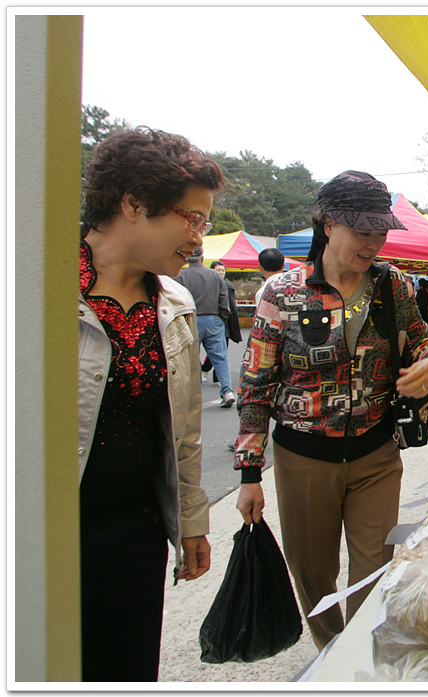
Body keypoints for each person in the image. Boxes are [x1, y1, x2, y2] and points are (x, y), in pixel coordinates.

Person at [233, 170, 428, 651]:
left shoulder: (393, 287)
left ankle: (363, 657)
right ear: (328, 224)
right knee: (314, 575)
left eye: (381, 232)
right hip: (304, 459)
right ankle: (334, 656)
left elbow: (424, 342)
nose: (374, 244)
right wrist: (249, 472)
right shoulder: (282, 294)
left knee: (375, 570)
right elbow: (255, 387)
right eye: (363, 232)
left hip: (376, 454)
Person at [78, 126, 216, 680]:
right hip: (50, 531)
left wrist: (191, 521)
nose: (199, 237)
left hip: (134, 534)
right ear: (134, 203)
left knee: (127, 670)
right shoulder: (36, 283)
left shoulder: (175, 300)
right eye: (192, 218)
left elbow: (183, 430)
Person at [175, 249, 236, 407]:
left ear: (187, 258)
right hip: (213, 318)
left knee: (191, 359)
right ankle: (227, 391)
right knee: (220, 358)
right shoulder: (215, 275)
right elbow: (224, 299)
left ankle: (193, 395)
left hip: (190, 319)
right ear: (202, 257)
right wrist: (222, 318)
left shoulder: (180, 276)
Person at [201, 260, 242, 380]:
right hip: (211, 321)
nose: (221, 272)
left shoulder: (228, 287)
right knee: (214, 349)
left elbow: (232, 309)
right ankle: (206, 369)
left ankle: (216, 376)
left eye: (223, 270)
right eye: (218, 270)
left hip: (225, 324)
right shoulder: (206, 285)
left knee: (222, 350)